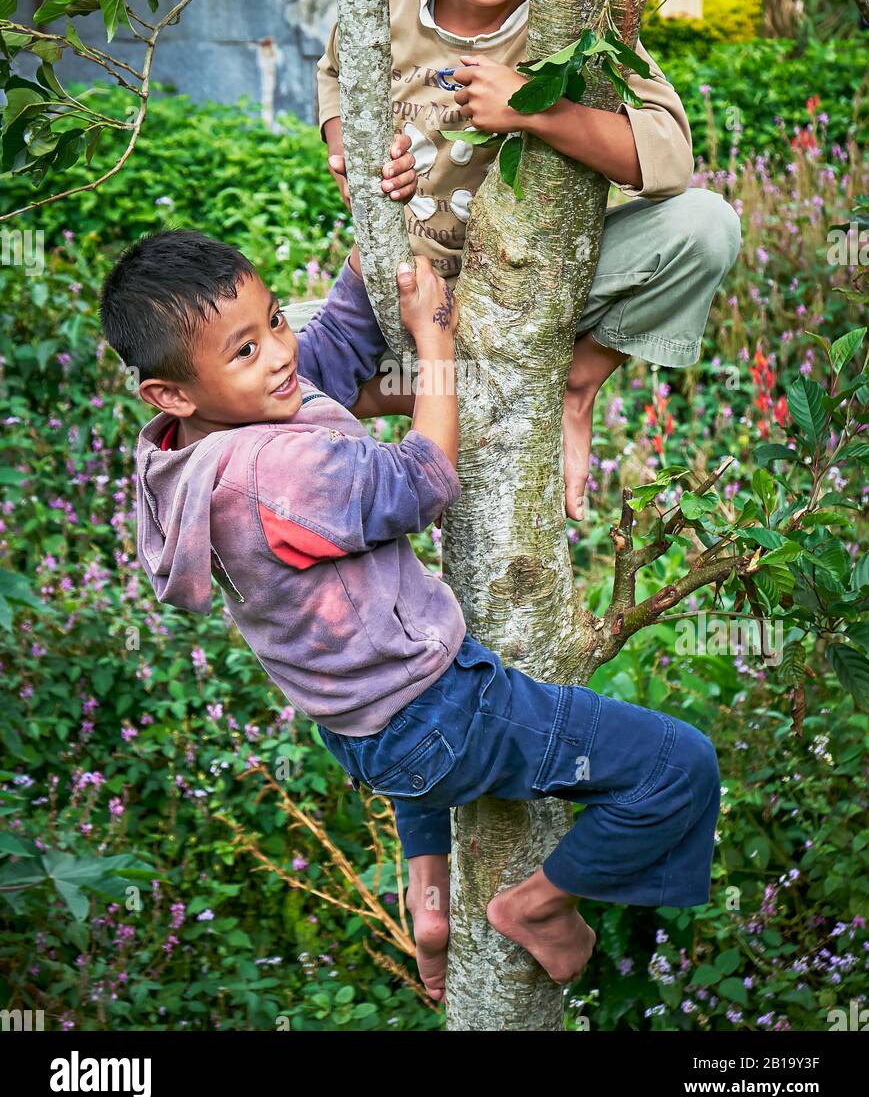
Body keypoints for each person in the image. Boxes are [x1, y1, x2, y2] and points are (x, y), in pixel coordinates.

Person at [101, 229, 721, 1006]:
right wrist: (435, 342)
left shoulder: (188, 443)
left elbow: (333, 344)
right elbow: (422, 481)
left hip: (361, 723)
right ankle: (536, 905)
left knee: (415, 757)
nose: (281, 354)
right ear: (170, 394)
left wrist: (373, 243)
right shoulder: (272, 471)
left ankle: (431, 901)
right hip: (438, 711)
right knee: (676, 766)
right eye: (246, 350)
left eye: (276, 321)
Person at [313, 0, 742, 523]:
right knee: (247, 367)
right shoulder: (380, 10)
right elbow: (336, 73)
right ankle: (420, 388)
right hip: (411, 285)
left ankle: (574, 383)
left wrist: (536, 110)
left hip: (541, 285)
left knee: (708, 225)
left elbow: (668, 157)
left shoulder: (575, 24)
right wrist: (350, 152)